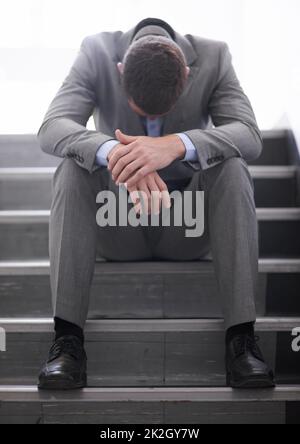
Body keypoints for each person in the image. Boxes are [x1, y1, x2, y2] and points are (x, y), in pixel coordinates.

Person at [37, 18, 275, 390]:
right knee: (72, 164)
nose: (152, 122)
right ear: (119, 72)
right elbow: (53, 126)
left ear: (186, 72)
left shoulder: (214, 56)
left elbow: (248, 134)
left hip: (187, 222)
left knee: (233, 165)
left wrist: (175, 144)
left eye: (161, 115)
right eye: (142, 112)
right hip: (117, 219)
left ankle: (241, 342)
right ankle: (67, 342)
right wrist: (114, 151)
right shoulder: (96, 51)